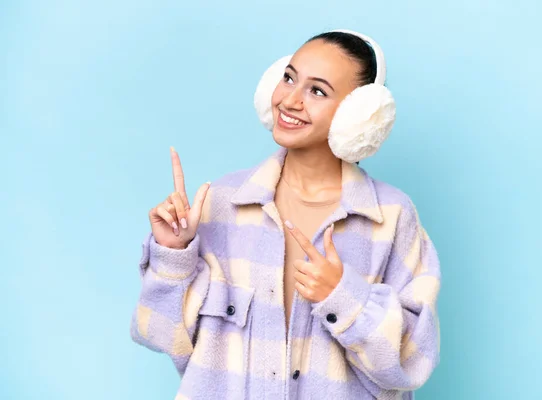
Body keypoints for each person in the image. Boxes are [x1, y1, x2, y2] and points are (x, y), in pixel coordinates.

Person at [130, 29, 441, 400]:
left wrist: (344, 297)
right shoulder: (222, 203)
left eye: (317, 91)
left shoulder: (390, 218)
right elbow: (162, 335)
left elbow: (413, 360)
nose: (290, 100)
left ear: (359, 116)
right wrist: (173, 256)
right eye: (289, 78)